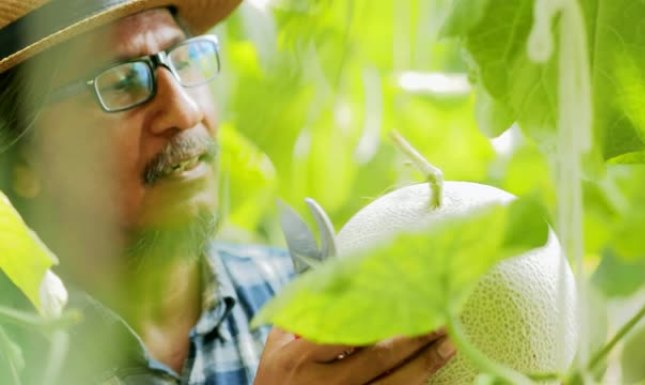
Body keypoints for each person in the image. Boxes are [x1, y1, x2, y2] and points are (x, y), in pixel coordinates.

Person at [0, 0, 456, 384]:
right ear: (23, 162)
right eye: (120, 84)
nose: (184, 109)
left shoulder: (297, 296)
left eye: (183, 61)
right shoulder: (15, 354)